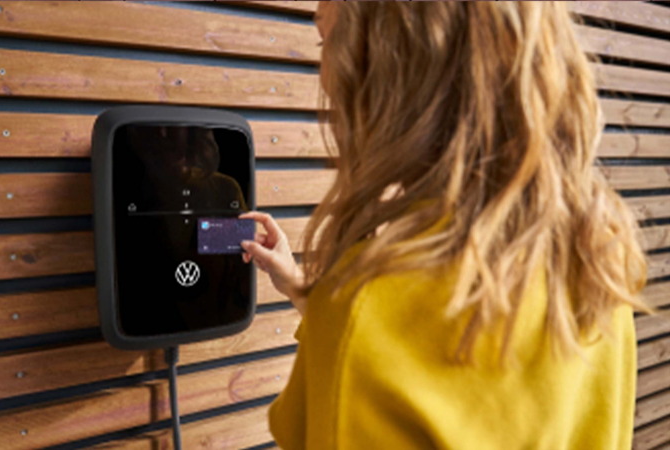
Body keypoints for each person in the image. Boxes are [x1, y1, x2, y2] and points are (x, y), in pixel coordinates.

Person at [238, 2, 649, 449]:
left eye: (329, 39)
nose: (326, 74)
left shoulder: (369, 309)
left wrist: (340, 306)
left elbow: (382, 335)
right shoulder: (598, 258)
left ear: (394, 63)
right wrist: (305, 289)